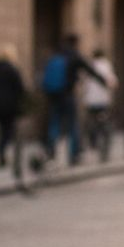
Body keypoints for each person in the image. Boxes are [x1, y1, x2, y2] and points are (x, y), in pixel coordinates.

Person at [40, 33, 103, 166]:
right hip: (68, 94)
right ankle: (74, 155)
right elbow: (90, 70)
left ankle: (50, 152)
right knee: (72, 124)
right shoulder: (74, 55)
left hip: (54, 95)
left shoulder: (57, 55)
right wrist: (104, 81)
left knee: (54, 123)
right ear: (75, 43)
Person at [82, 47, 119, 162]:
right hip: (103, 100)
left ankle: (93, 143)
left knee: (92, 122)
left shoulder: (90, 65)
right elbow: (113, 82)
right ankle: (104, 145)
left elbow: (84, 83)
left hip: (90, 100)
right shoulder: (106, 65)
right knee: (103, 122)